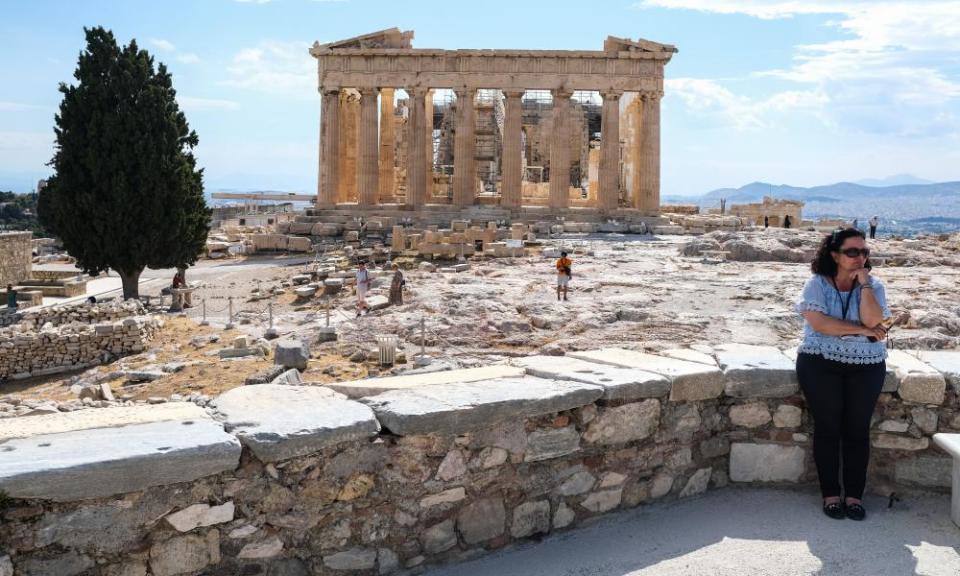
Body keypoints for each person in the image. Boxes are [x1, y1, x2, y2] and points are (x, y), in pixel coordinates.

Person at [795, 227, 891, 521]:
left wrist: (863, 286)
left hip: (867, 365)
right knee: (827, 428)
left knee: (857, 430)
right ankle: (830, 494)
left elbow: (877, 321)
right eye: (852, 252)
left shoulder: (874, 286)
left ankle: (854, 495)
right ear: (835, 255)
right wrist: (863, 330)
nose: (859, 257)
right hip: (820, 362)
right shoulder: (817, 285)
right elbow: (821, 324)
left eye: (864, 252)